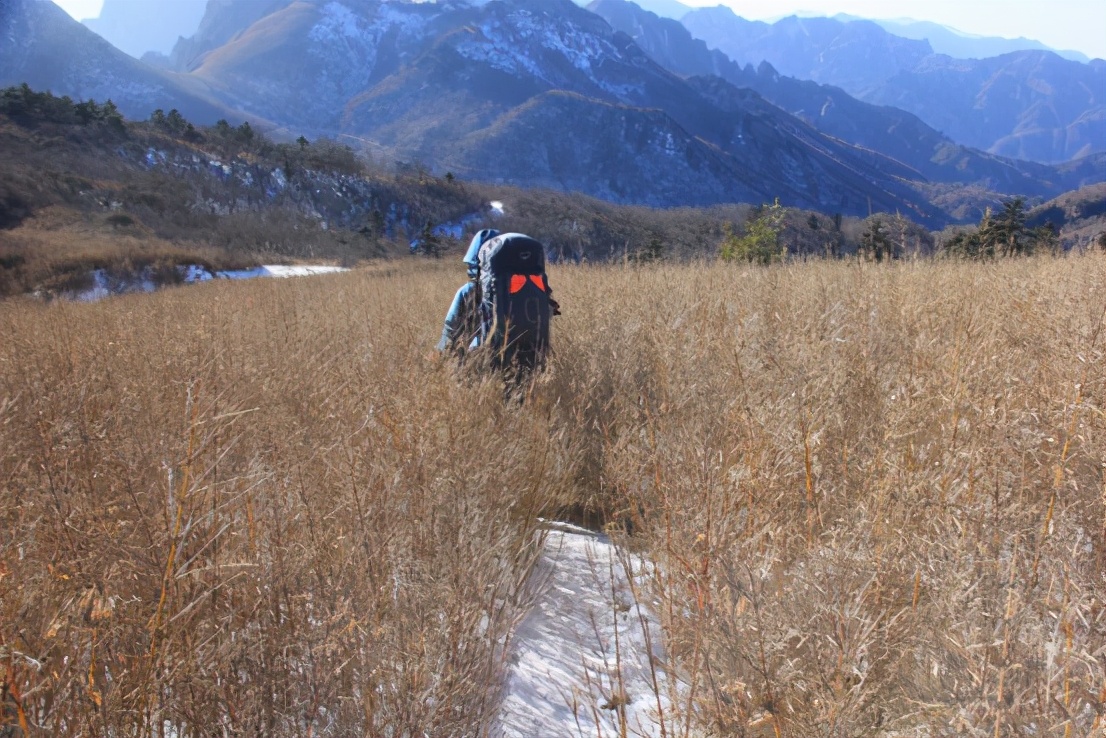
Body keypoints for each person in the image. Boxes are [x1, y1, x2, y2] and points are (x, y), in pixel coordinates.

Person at [436, 229, 499, 355]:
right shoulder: (515, 286)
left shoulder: (468, 290)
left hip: (478, 354)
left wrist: (439, 353)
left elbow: (450, 326)